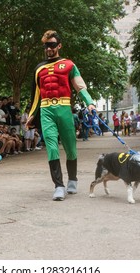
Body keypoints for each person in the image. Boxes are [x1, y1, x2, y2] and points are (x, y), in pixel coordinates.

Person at [26, 30, 96, 201]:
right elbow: (36, 94)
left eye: (51, 45)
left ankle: (73, 179)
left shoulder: (69, 65)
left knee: (71, 148)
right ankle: (58, 185)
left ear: (59, 46)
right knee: (51, 147)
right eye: (46, 45)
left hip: (64, 108)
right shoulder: (39, 69)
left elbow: (80, 86)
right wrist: (31, 114)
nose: (48, 48)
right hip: (46, 110)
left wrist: (89, 102)